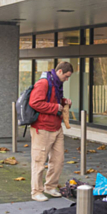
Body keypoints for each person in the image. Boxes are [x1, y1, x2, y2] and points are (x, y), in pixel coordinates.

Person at [28, 61, 73, 202]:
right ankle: (36, 191)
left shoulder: (57, 84)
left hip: (56, 126)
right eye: (66, 76)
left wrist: (64, 101)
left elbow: (54, 100)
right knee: (39, 161)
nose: (67, 79)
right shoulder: (43, 83)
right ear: (59, 71)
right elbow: (34, 102)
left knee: (58, 160)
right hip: (42, 128)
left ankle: (50, 186)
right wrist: (55, 108)